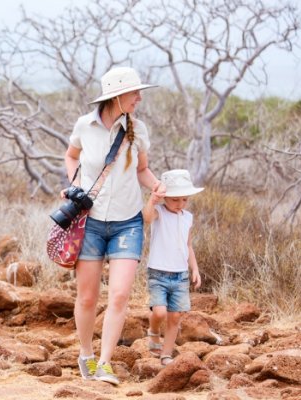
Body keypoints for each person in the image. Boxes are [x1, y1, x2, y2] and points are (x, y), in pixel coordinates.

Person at [64, 66, 165, 385]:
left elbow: (142, 170)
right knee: (87, 298)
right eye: (134, 92)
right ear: (116, 96)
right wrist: (75, 185)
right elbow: (70, 156)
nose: (139, 97)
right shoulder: (85, 125)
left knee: (120, 295)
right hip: (90, 223)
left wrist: (157, 186)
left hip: (128, 223)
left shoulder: (139, 129)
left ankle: (105, 362)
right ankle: (86, 355)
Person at [142, 169, 203, 366]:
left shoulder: (187, 217)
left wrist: (194, 269)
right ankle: (153, 332)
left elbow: (188, 245)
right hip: (158, 272)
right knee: (159, 312)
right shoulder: (159, 212)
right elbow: (147, 218)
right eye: (175, 199)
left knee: (175, 316)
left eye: (184, 199)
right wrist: (153, 200)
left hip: (180, 274)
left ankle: (166, 354)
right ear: (166, 197)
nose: (180, 204)